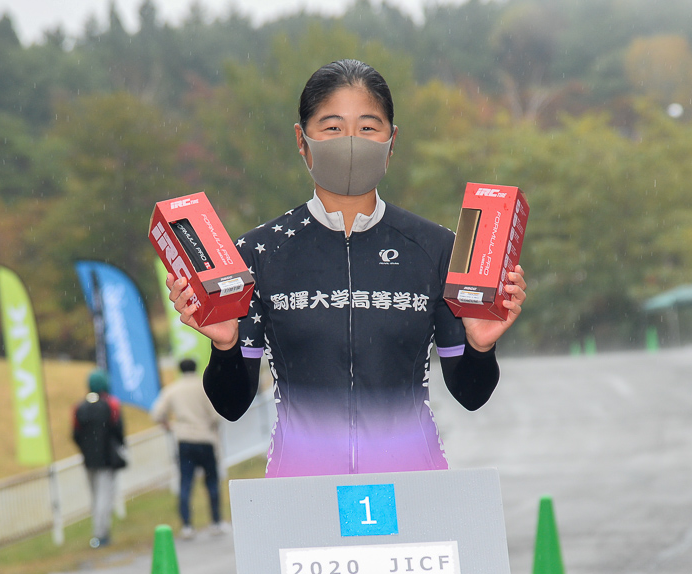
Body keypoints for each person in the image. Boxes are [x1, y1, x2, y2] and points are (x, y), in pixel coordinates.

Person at [164, 59, 526, 477]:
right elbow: (231, 406)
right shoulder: (257, 253)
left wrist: (481, 348)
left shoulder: (437, 248)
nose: (352, 141)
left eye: (368, 127)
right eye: (333, 127)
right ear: (302, 141)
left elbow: (470, 394)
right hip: (301, 487)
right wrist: (225, 347)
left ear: (392, 141)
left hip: (413, 483)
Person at [152, 358, 230, 538]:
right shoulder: (204, 388)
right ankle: (216, 522)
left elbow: (157, 413)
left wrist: (170, 425)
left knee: (186, 483)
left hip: (184, 439)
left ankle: (187, 525)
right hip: (205, 438)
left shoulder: (173, 389)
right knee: (211, 482)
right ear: (196, 368)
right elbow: (216, 415)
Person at [72, 369, 126, 547]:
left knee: (95, 497)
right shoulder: (111, 405)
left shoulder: (80, 407)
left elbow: (75, 434)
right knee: (105, 496)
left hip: (89, 459)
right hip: (107, 458)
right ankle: (101, 534)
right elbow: (118, 430)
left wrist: (87, 450)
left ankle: (98, 531)